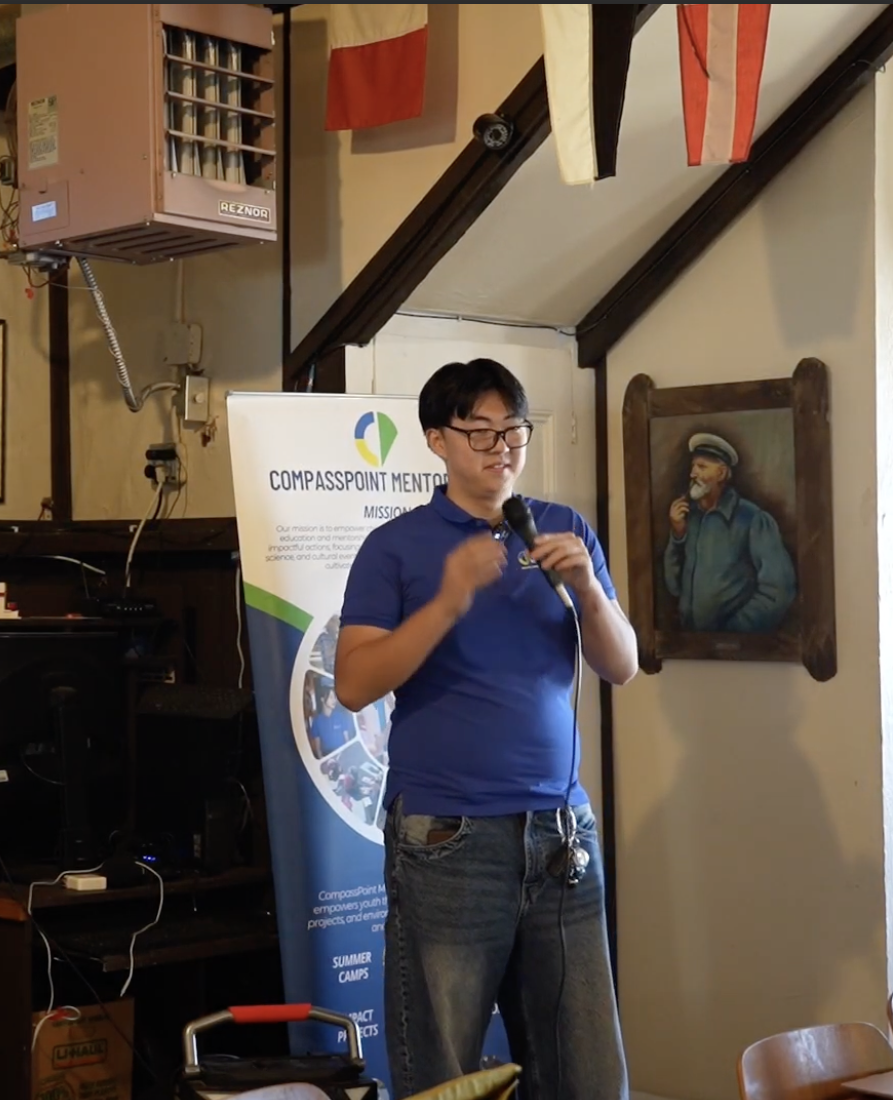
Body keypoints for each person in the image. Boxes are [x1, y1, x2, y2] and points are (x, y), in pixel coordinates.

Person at [334, 359, 638, 1099]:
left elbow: (621, 665)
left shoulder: (563, 528)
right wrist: (446, 600)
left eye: (514, 431)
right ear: (437, 440)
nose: (501, 448)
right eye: (480, 432)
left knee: (585, 1069)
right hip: (448, 836)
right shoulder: (397, 547)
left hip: (559, 831)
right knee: (446, 1069)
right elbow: (353, 684)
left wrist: (589, 591)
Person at [662, 432, 797, 633]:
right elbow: (674, 586)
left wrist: (735, 630)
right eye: (693, 467)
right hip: (690, 650)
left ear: (722, 474)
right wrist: (678, 535)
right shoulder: (690, 517)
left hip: (737, 654)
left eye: (702, 467)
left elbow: (779, 590)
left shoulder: (753, 519)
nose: (693, 474)